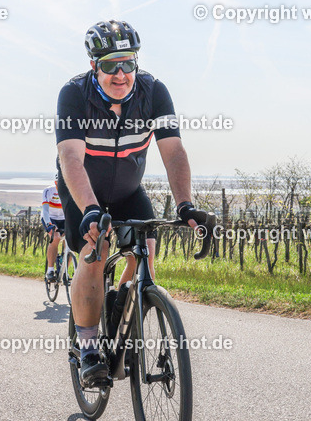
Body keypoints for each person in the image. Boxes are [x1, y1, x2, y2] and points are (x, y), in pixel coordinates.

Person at [56, 20, 208, 387]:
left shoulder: (154, 91)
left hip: (127, 191)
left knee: (146, 255)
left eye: (127, 63)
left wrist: (185, 205)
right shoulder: (74, 94)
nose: (120, 73)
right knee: (96, 250)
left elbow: (173, 153)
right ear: (95, 66)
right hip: (83, 192)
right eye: (110, 65)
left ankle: (122, 305)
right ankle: (90, 348)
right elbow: (71, 158)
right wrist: (91, 210)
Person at [41, 182, 65, 281]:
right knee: (55, 238)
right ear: (56, 182)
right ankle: (50, 270)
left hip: (64, 218)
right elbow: (45, 211)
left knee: (70, 241)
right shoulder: (48, 191)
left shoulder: (71, 191)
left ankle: (64, 271)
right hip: (50, 218)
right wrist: (49, 224)